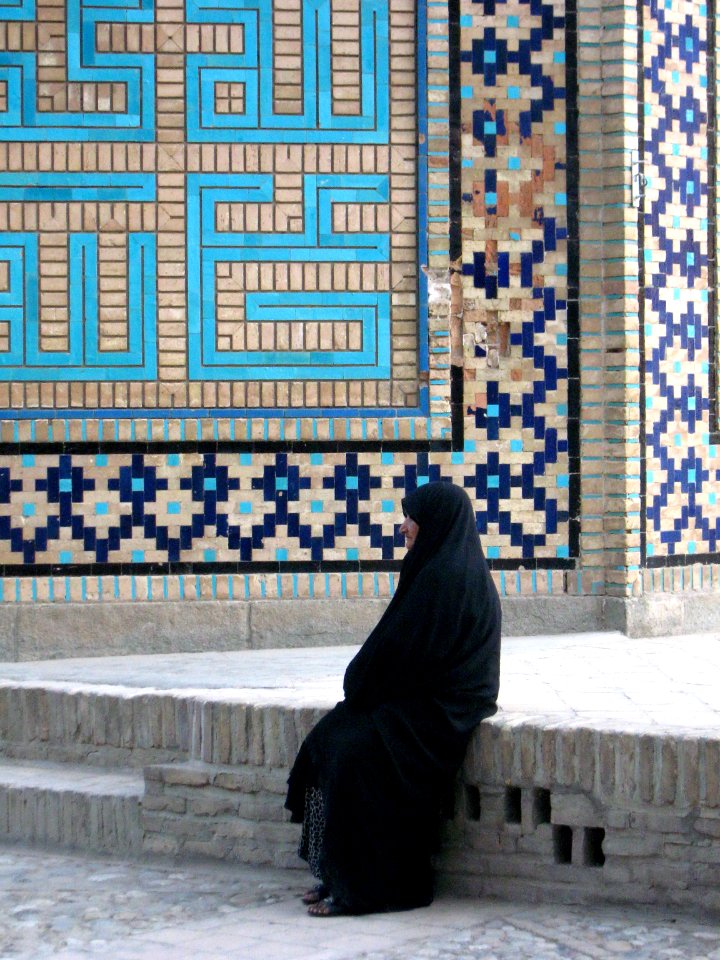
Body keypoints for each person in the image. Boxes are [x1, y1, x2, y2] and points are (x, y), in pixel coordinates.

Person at [285, 480, 501, 916]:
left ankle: (376, 887)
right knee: (327, 739)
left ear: (436, 522)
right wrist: (363, 683)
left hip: (445, 708)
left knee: (355, 754)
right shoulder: (437, 566)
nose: (404, 527)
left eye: (412, 517)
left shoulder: (449, 577)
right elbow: (398, 650)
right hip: (421, 695)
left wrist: (362, 681)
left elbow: (404, 654)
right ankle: (336, 873)